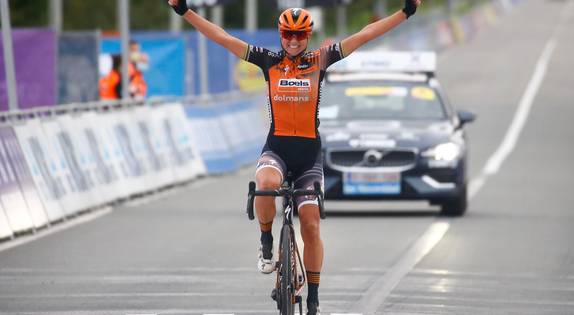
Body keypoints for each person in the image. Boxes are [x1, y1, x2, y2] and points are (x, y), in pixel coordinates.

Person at [166, 1, 421, 313]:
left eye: (300, 35)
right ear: (280, 34)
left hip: (308, 157)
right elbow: (222, 37)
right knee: (265, 183)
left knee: (311, 225)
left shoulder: (320, 59)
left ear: (309, 36)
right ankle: (265, 242)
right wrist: (185, 12)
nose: (293, 40)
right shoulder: (267, 60)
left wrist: (405, 12)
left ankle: (313, 296)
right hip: (277, 150)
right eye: (288, 34)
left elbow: (366, 34)